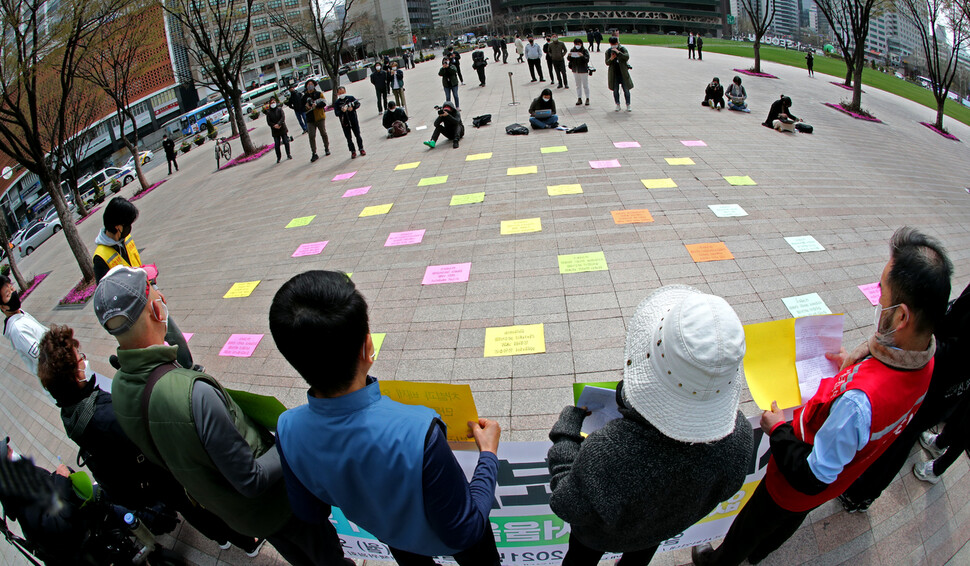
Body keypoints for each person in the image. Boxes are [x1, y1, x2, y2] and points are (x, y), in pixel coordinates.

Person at [692, 227, 952, 566]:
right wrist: (852, 362)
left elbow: (812, 476)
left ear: (902, 316)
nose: (878, 300)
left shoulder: (858, 405)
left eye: (883, 295)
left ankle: (720, 562)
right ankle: (758, 555)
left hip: (792, 484)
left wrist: (778, 430)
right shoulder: (926, 361)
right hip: (832, 480)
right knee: (781, 527)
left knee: (751, 526)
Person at [94, 266, 352, 566]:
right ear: (156, 307)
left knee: (299, 556)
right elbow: (251, 479)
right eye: (155, 293)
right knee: (329, 557)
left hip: (236, 512)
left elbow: (181, 366)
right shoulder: (195, 395)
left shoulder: (121, 388)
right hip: (277, 503)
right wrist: (294, 435)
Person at [269, 270, 503, 566]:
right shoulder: (420, 431)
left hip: (394, 538)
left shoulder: (287, 428)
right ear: (368, 347)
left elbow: (310, 512)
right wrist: (489, 456)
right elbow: (465, 530)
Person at [549, 286, 753, 565]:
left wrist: (566, 433)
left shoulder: (608, 451)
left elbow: (565, 501)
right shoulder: (739, 436)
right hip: (658, 530)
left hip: (597, 535)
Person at [36, 324, 264, 555]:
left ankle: (221, 538)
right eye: (80, 359)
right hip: (157, 471)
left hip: (141, 478)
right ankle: (247, 541)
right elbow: (146, 435)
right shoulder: (103, 415)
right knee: (197, 501)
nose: (85, 361)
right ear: (76, 376)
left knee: (187, 507)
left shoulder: (70, 411)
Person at [837, 281, 970, 510]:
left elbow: (960, 353)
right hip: (940, 380)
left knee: (899, 441)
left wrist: (914, 336)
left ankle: (861, 495)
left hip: (940, 385)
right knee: (902, 435)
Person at [92, 197, 194, 370]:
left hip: (149, 298)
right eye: (128, 224)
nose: (130, 228)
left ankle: (189, 367)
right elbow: (105, 300)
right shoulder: (100, 258)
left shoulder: (126, 239)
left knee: (173, 334)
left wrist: (155, 288)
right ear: (118, 227)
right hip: (133, 315)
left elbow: (139, 267)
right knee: (148, 350)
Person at [0, 275, 47, 378]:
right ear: (3, 307)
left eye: (12, 288)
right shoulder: (18, 331)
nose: (13, 293)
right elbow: (43, 359)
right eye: (8, 294)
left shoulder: (20, 314)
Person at [303, 79, 331, 162]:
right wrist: (306, 106)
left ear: (314, 85)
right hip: (310, 119)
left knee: (323, 133)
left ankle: (326, 148)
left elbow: (324, 103)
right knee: (311, 136)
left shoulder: (319, 94)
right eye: (308, 85)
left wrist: (317, 104)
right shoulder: (304, 97)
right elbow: (301, 108)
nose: (310, 86)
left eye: (311, 84)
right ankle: (314, 153)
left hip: (319, 117)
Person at [333, 86, 365, 159]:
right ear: (337, 93)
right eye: (340, 93)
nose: (342, 94)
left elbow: (358, 104)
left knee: (358, 135)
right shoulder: (337, 103)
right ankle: (353, 151)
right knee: (348, 138)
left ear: (345, 92)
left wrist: (353, 108)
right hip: (345, 122)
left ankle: (361, 149)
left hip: (353, 120)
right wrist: (342, 111)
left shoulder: (350, 98)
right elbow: (336, 113)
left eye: (343, 92)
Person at [606, 36, 633, 112]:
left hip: (623, 73)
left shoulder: (622, 49)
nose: (613, 45)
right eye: (612, 44)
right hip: (614, 74)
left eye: (614, 44)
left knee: (626, 90)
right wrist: (611, 58)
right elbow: (607, 62)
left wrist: (619, 53)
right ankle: (617, 104)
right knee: (615, 90)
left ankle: (628, 104)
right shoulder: (608, 51)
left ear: (617, 43)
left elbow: (626, 57)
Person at [265, 97, 292, 163]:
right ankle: (278, 157)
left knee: (286, 142)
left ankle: (288, 154)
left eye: (274, 102)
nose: (273, 104)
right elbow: (269, 122)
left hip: (282, 128)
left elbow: (283, 117)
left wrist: (279, 124)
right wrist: (274, 125)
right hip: (275, 130)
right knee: (277, 144)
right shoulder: (268, 112)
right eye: (271, 103)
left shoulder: (279, 109)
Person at [569, 38, 591, 106]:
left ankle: (587, 98)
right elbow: (570, 60)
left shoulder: (584, 51)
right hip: (575, 70)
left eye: (578, 44)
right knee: (578, 85)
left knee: (585, 85)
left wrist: (582, 56)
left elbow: (587, 60)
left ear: (581, 44)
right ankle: (579, 98)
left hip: (583, 70)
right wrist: (569, 56)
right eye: (575, 44)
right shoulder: (573, 50)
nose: (577, 45)